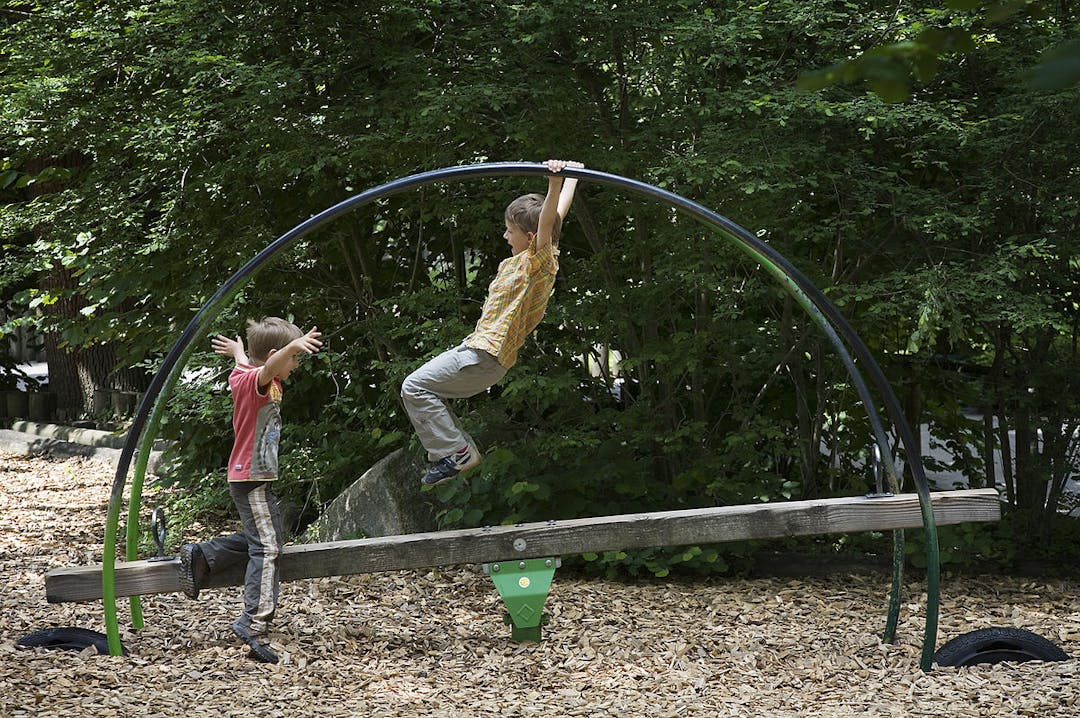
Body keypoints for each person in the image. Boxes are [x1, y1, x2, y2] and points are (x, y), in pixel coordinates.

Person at [401, 159, 583, 486]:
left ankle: (456, 452)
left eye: (510, 230)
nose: (504, 235)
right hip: (483, 357)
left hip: (483, 355)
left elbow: (547, 223)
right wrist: (571, 178)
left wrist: (555, 184)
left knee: (414, 386)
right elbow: (555, 218)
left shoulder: (536, 263)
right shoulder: (532, 258)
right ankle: (454, 451)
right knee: (420, 388)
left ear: (529, 237)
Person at [177, 317, 322, 664]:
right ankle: (253, 621)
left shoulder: (243, 374)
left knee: (265, 537)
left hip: (249, 475)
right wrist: (286, 349)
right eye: (293, 358)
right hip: (251, 477)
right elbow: (265, 367)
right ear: (275, 356)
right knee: (268, 547)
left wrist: (239, 351)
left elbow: (249, 364)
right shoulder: (256, 382)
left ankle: (205, 555)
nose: (295, 364)